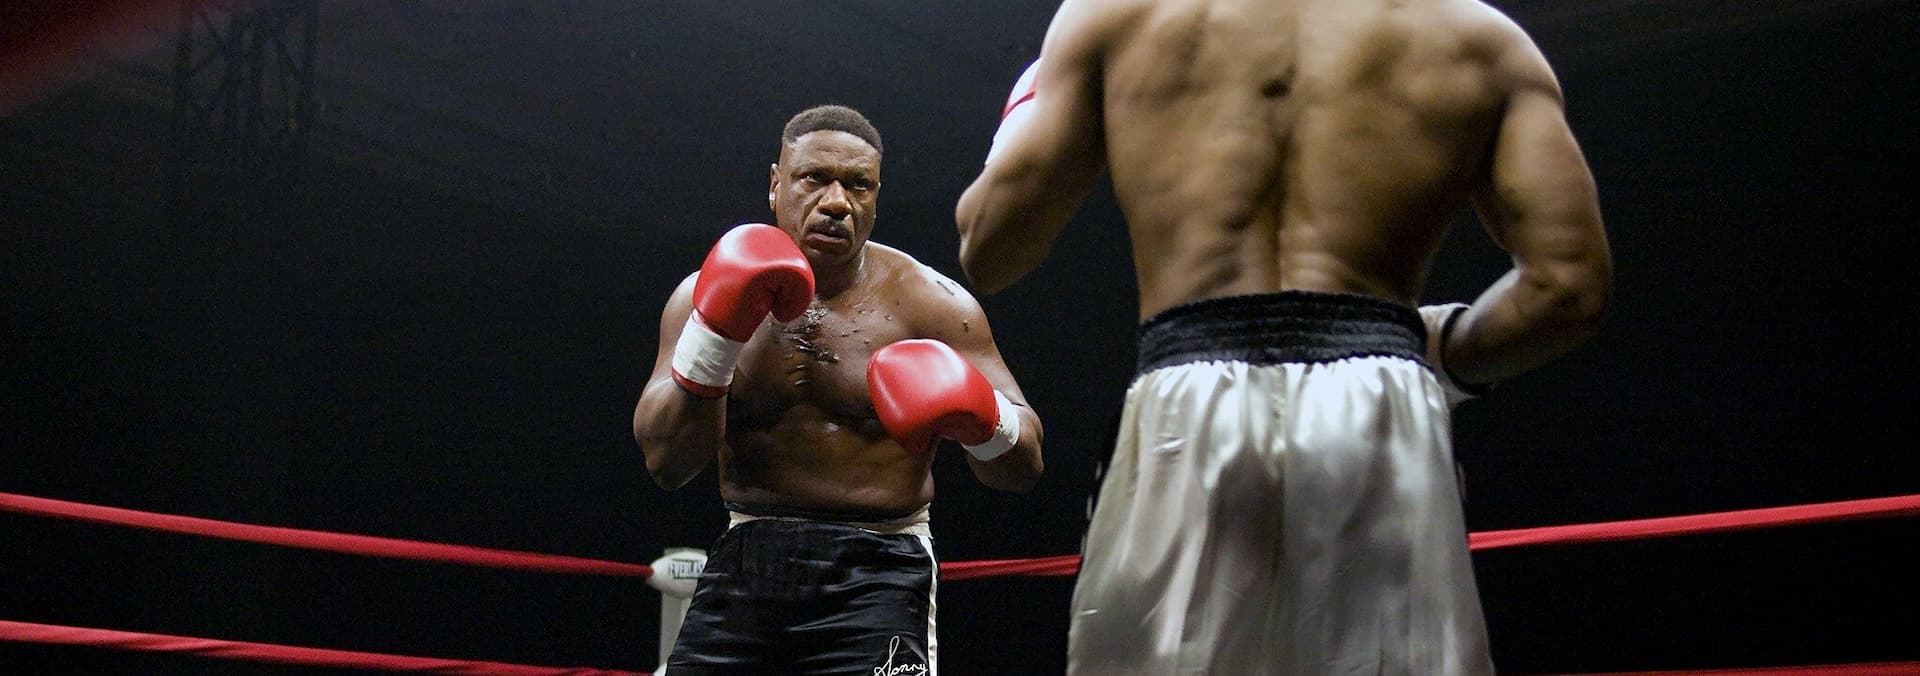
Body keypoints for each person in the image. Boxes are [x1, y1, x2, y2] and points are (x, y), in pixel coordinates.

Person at [955, 0, 1612, 673]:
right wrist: (1434, 353)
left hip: (1186, 405)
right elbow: (1567, 288)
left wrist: (1023, 124)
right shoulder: (1479, 37)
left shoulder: (1115, 16)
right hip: (1383, 408)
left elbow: (991, 251)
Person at [634, 104, 1045, 675]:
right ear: (776, 184)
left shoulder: (932, 306)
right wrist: (714, 340)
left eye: (858, 185)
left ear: (876, 198)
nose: (836, 202)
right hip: (747, 556)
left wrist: (984, 418)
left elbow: (1025, 467)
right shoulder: (700, 297)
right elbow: (666, 464)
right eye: (814, 178)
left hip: (880, 567)